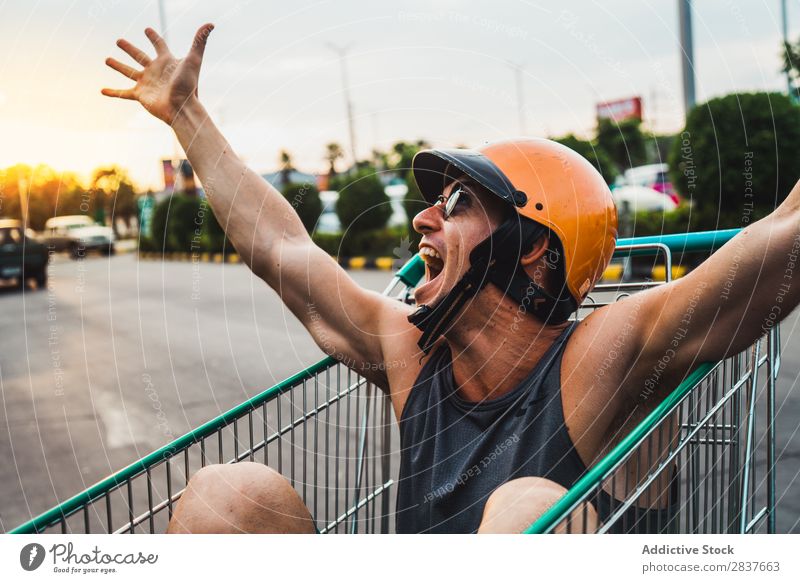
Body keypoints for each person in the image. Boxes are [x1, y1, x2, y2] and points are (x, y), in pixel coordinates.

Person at [103, 25, 800, 534]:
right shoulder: (412, 354)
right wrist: (187, 115)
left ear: (533, 249)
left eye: (460, 202)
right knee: (226, 494)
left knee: (528, 508)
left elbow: (776, 246)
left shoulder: (604, 358)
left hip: (548, 521)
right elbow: (281, 248)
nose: (422, 219)